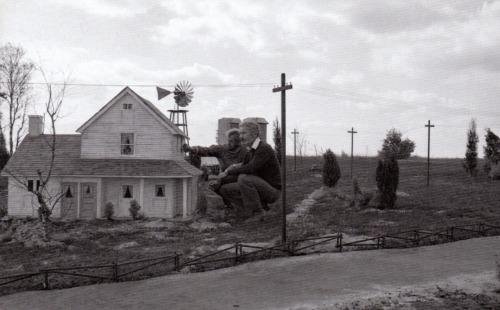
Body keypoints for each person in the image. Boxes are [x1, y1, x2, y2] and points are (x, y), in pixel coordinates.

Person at [219, 120, 281, 222]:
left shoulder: (264, 148)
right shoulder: (250, 150)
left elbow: (250, 168)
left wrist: (227, 173)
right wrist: (221, 180)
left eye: (244, 133)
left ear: (255, 134)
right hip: (259, 187)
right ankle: (247, 211)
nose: (240, 137)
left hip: (272, 191)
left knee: (244, 178)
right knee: (226, 189)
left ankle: (258, 212)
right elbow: (241, 167)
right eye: (240, 133)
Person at [182, 129, 247, 204]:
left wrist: (232, 168)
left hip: (238, 178)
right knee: (214, 187)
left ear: (238, 143)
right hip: (224, 177)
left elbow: (247, 164)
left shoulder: (245, 151)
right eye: (228, 140)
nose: (228, 143)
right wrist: (192, 149)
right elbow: (207, 150)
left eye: (231, 141)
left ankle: (239, 206)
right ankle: (228, 206)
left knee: (224, 185)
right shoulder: (222, 149)